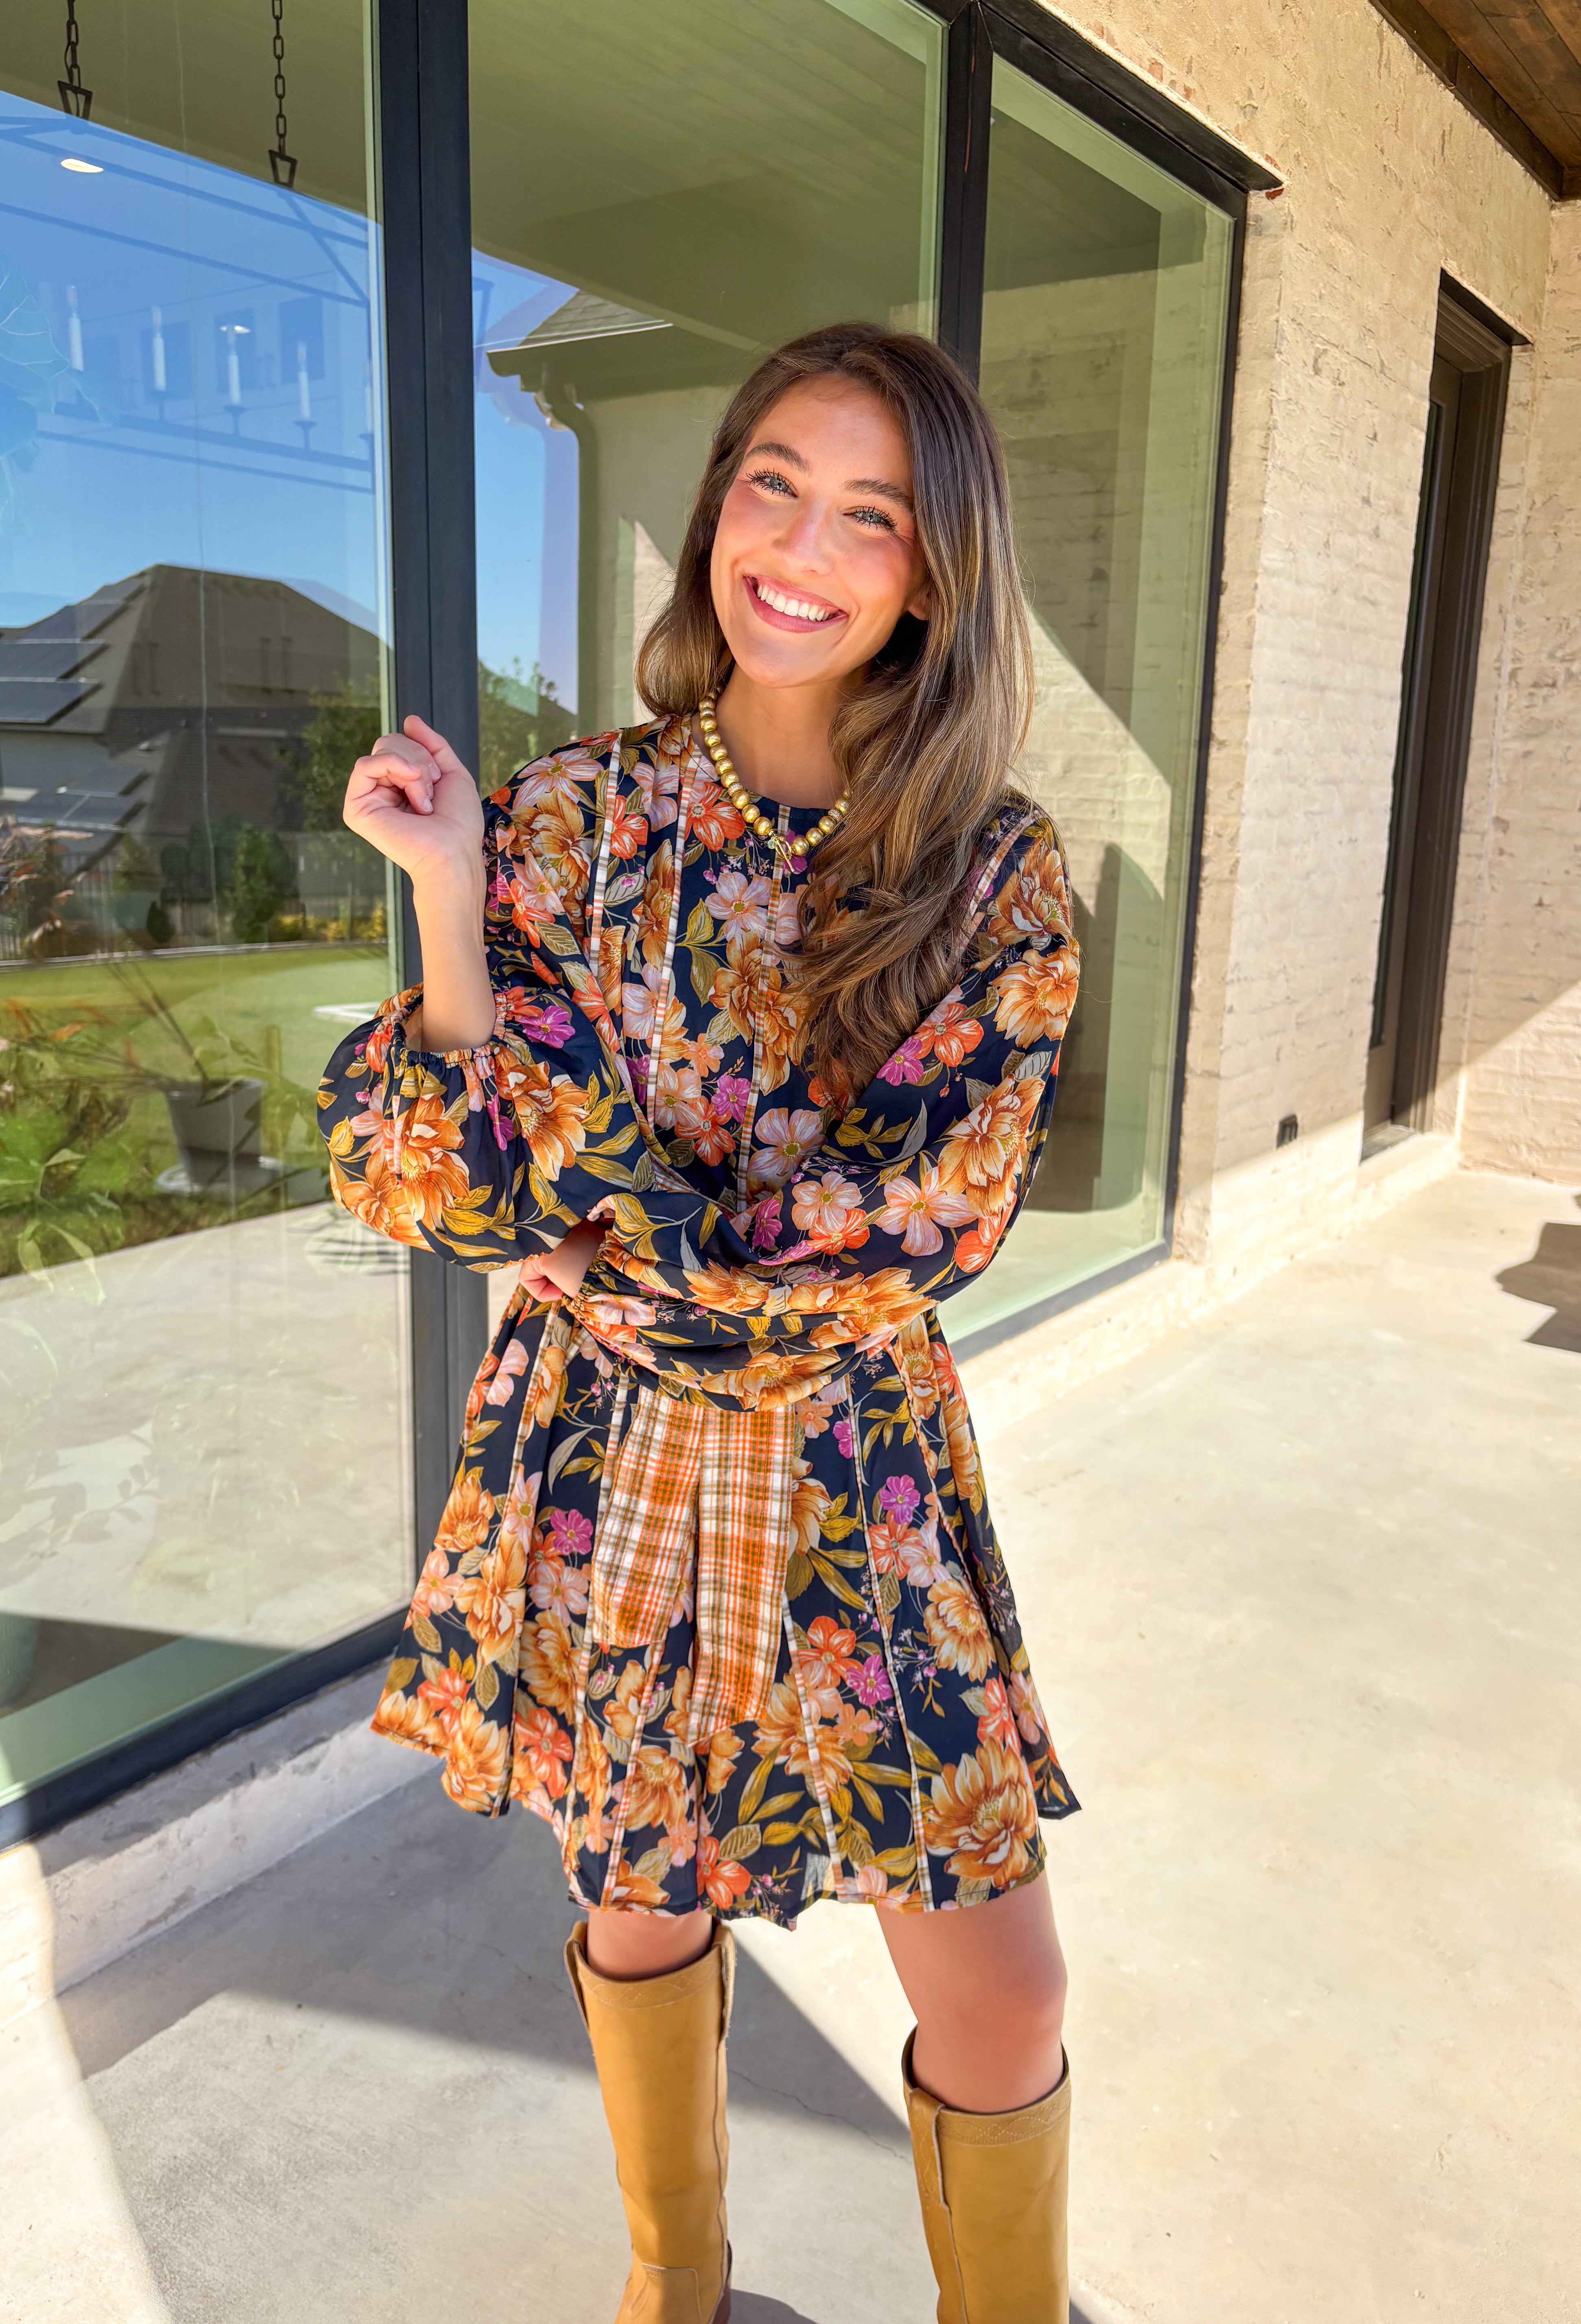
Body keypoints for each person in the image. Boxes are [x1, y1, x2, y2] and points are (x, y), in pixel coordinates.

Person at [322, 321, 1081, 2324]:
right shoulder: (565, 821)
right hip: (607, 1469)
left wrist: (590, 1244)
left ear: (935, 573)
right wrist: (451, 897)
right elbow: (435, 1186)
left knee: (1002, 1991)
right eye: (774, 484)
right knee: (640, 1901)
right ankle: (675, 2281)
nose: (802, 550)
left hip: (854, 1476)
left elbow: (909, 1235)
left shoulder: (991, 876)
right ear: (718, 501)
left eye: (871, 516)